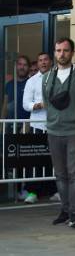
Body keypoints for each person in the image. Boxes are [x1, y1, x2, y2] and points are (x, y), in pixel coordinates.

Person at [42, 38, 75, 228]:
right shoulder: (47, 77)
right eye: (58, 50)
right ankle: (64, 211)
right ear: (54, 53)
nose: (61, 54)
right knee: (60, 173)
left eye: (65, 50)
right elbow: (47, 102)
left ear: (72, 52)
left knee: (74, 172)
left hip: (74, 130)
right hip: (54, 130)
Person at [22, 52, 58, 204]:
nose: (43, 63)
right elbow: (26, 104)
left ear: (51, 62)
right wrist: (39, 105)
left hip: (56, 126)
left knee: (56, 160)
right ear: (37, 63)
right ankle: (32, 193)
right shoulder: (31, 81)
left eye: (46, 60)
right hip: (37, 126)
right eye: (40, 60)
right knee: (36, 160)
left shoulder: (59, 78)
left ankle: (56, 191)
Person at [1, 55, 31, 200]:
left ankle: (22, 189)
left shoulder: (31, 83)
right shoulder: (9, 84)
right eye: (19, 64)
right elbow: (6, 104)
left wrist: (28, 124)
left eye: (25, 64)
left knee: (22, 160)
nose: (22, 67)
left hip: (25, 125)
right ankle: (8, 189)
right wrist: (2, 123)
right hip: (9, 124)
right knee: (8, 157)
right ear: (16, 66)